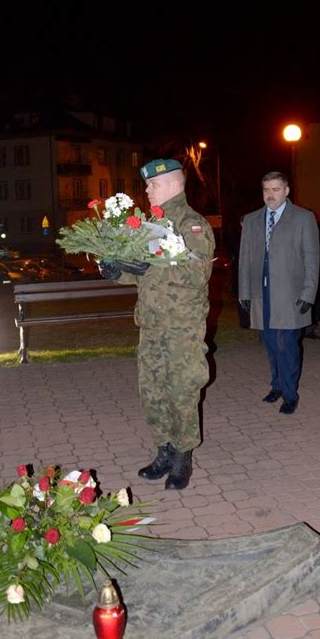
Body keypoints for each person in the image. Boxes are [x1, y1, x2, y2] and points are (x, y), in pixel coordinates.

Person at [99, 158, 215, 490]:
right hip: (150, 325)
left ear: (175, 184)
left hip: (181, 329)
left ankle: (183, 457)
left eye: (154, 184)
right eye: (147, 184)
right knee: (152, 392)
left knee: (182, 391)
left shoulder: (193, 226)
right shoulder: (148, 224)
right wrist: (117, 271)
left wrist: (149, 266)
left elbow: (197, 274)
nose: (147, 189)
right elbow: (141, 277)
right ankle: (163, 451)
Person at [238, 171, 320, 414]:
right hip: (261, 292)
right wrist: (244, 290)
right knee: (270, 343)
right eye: (266, 190)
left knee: (288, 345)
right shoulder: (252, 219)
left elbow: (312, 259)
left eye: (275, 189)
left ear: (286, 191)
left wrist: (308, 293)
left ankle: (290, 394)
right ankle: (277, 385)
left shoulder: (303, 218)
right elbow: (244, 259)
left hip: (290, 293)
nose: (270, 195)